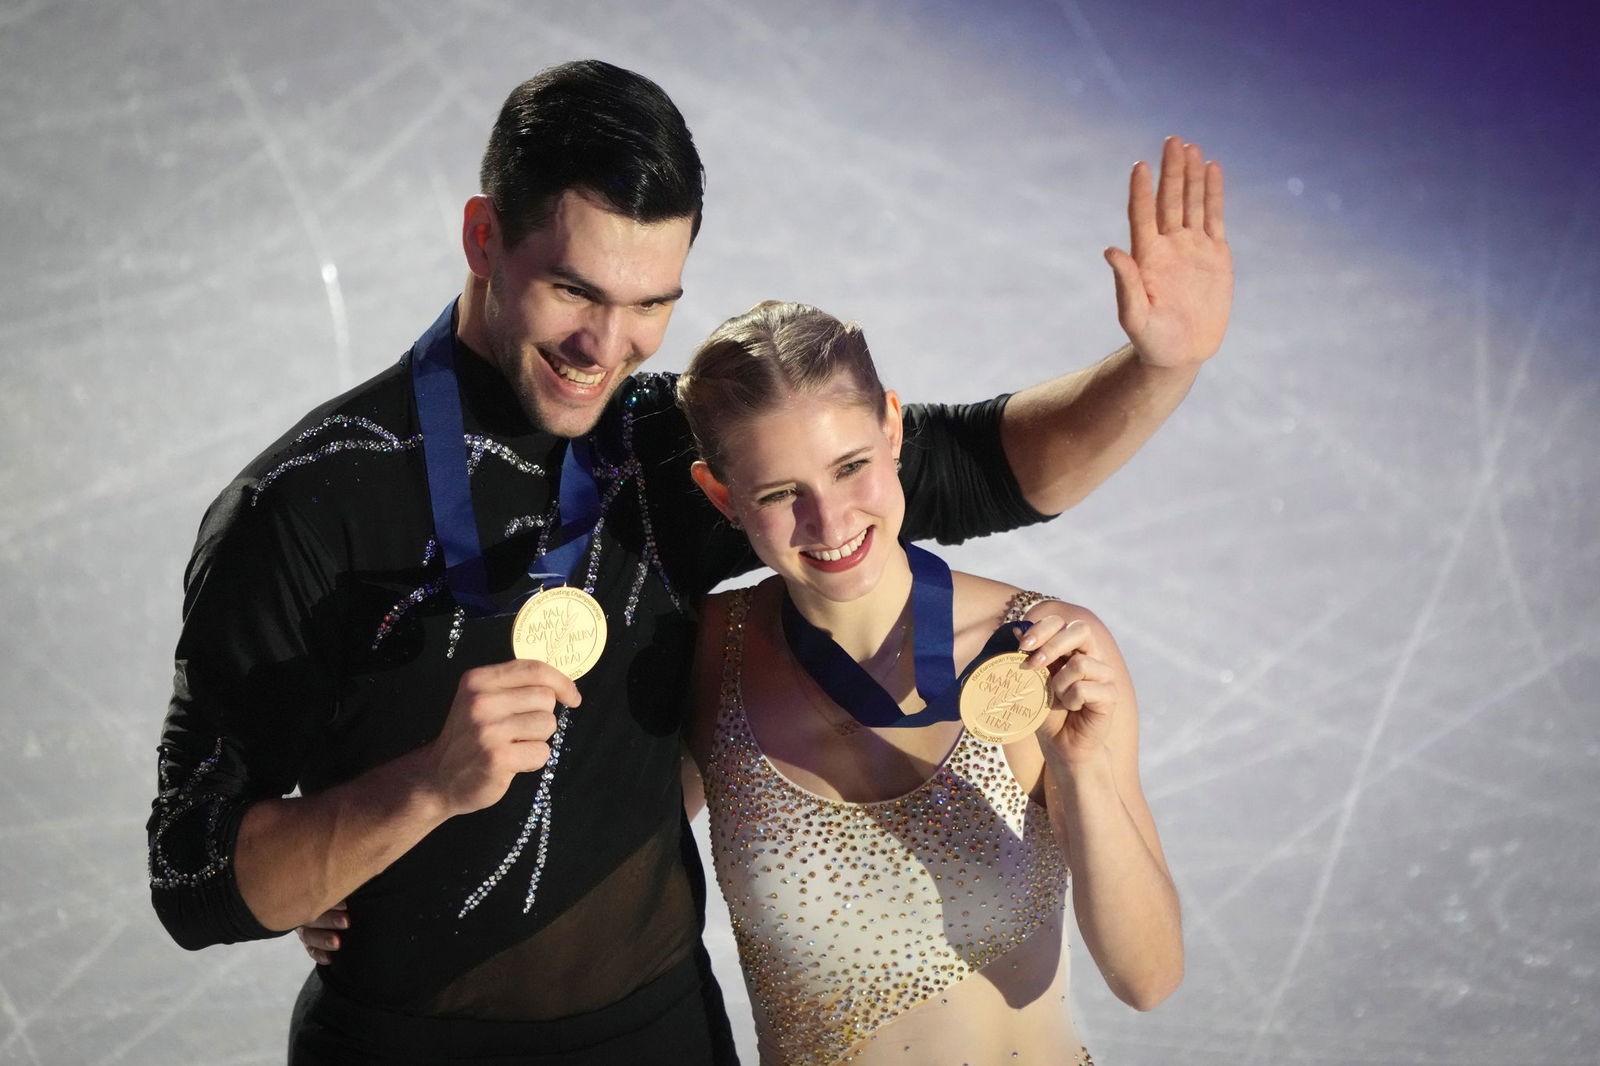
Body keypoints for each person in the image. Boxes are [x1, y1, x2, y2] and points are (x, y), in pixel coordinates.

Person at [145, 58, 1229, 1065]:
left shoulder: (661, 451)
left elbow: (978, 467)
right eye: (574, 291)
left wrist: (1157, 369)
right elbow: (193, 873)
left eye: (651, 303)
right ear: (483, 236)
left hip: (661, 1036)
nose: (605, 348)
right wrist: (412, 794)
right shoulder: (305, 505)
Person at [677, 301, 1183, 1065]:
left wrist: (1081, 770)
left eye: (851, 466)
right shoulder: (711, 659)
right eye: (783, 494)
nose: (830, 519)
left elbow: (1149, 978)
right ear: (722, 495)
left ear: (892, 429)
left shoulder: (1037, 652)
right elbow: (608, 876)